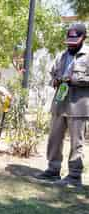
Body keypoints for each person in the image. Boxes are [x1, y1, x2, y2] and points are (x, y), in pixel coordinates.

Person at [35, 24, 89, 187]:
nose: (71, 44)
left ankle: (74, 176)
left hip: (78, 106)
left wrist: (74, 81)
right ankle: (53, 170)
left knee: (76, 142)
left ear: (84, 38)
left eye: (75, 41)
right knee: (54, 139)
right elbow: (52, 75)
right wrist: (56, 81)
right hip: (59, 103)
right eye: (69, 41)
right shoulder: (61, 56)